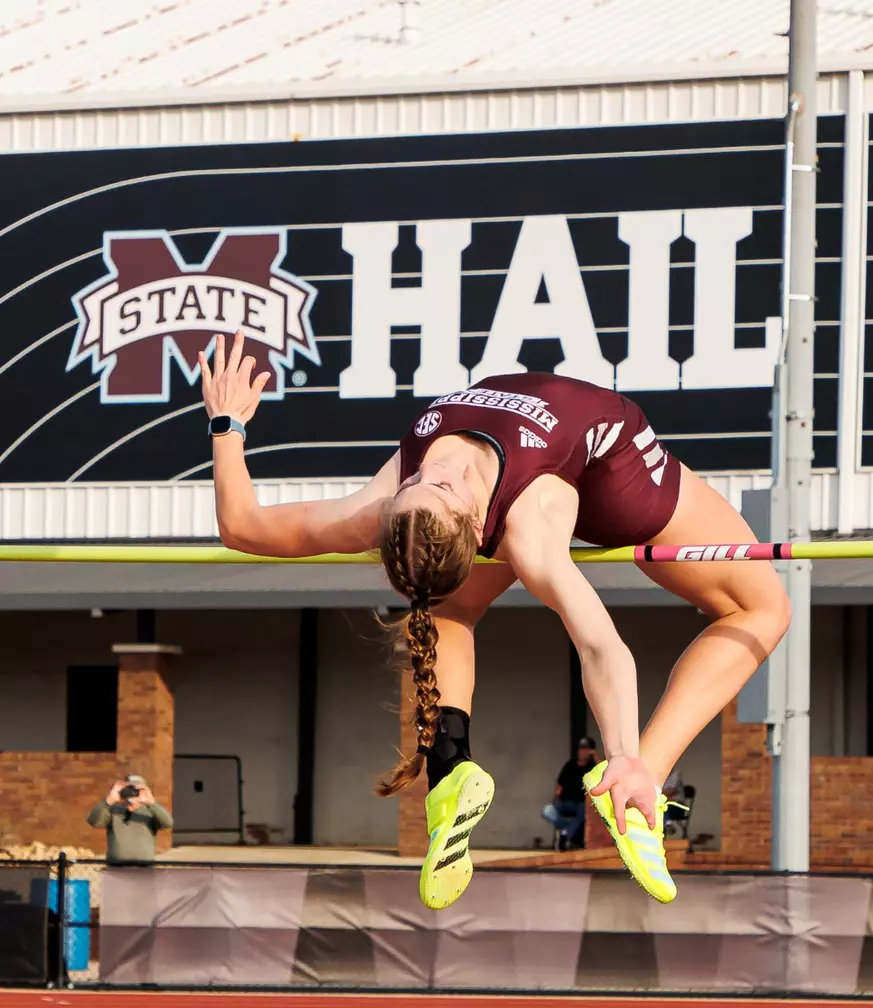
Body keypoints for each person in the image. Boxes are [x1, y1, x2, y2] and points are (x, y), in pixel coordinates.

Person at [200, 332, 789, 910]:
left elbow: (244, 527)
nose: (437, 472)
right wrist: (627, 759)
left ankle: (535, 778)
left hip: (585, 459)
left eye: (423, 482)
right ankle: (548, 782)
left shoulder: (428, 511)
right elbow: (600, 645)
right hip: (603, 476)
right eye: (434, 487)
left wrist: (227, 424)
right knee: (761, 608)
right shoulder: (509, 525)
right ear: (480, 528)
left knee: (451, 607)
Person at [86, 775, 173, 865]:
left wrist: (151, 803)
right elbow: (95, 822)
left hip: (144, 868)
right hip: (116, 867)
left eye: (136, 789)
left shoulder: (151, 811)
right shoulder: (113, 810)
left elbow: (168, 824)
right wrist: (109, 801)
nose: (132, 792)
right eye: (129, 789)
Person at [542, 737, 600, 850]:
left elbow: (604, 771)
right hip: (564, 803)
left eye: (585, 749)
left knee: (585, 811)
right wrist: (555, 799)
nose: (582, 752)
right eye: (581, 749)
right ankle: (567, 831)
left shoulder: (593, 767)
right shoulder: (570, 764)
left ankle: (565, 834)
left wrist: (595, 755)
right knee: (546, 810)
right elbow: (559, 785)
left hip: (580, 805)